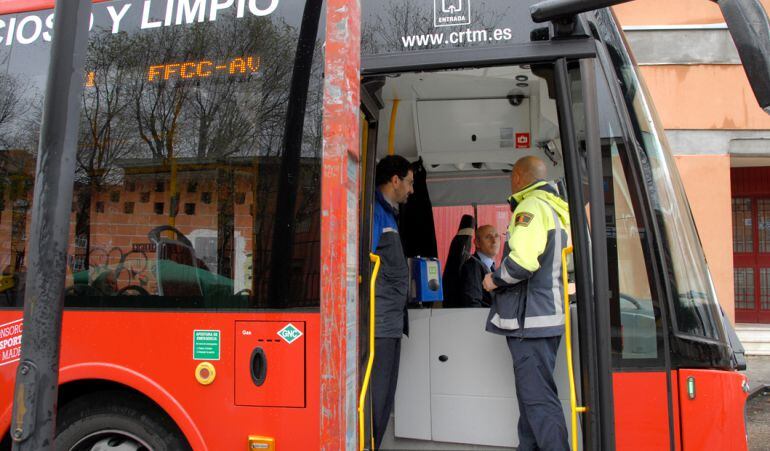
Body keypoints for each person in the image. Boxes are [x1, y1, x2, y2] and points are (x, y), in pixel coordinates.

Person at [482, 156, 570, 451]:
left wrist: (493, 280)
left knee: (538, 402)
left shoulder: (531, 207)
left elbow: (522, 262)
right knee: (531, 402)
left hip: (529, 324)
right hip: (547, 321)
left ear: (518, 177)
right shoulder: (559, 211)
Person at [370, 154, 414, 449]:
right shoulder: (373, 212)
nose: (412, 190)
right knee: (378, 394)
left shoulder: (390, 214)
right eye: (409, 182)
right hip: (379, 320)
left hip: (391, 319)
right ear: (395, 180)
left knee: (387, 394)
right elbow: (363, 263)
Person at [457, 224, 500, 308]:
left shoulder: (491, 267)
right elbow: (472, 304)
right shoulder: (472, 267)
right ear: (477, 243)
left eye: (496, 236)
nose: (494, 241)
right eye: (488, 237)